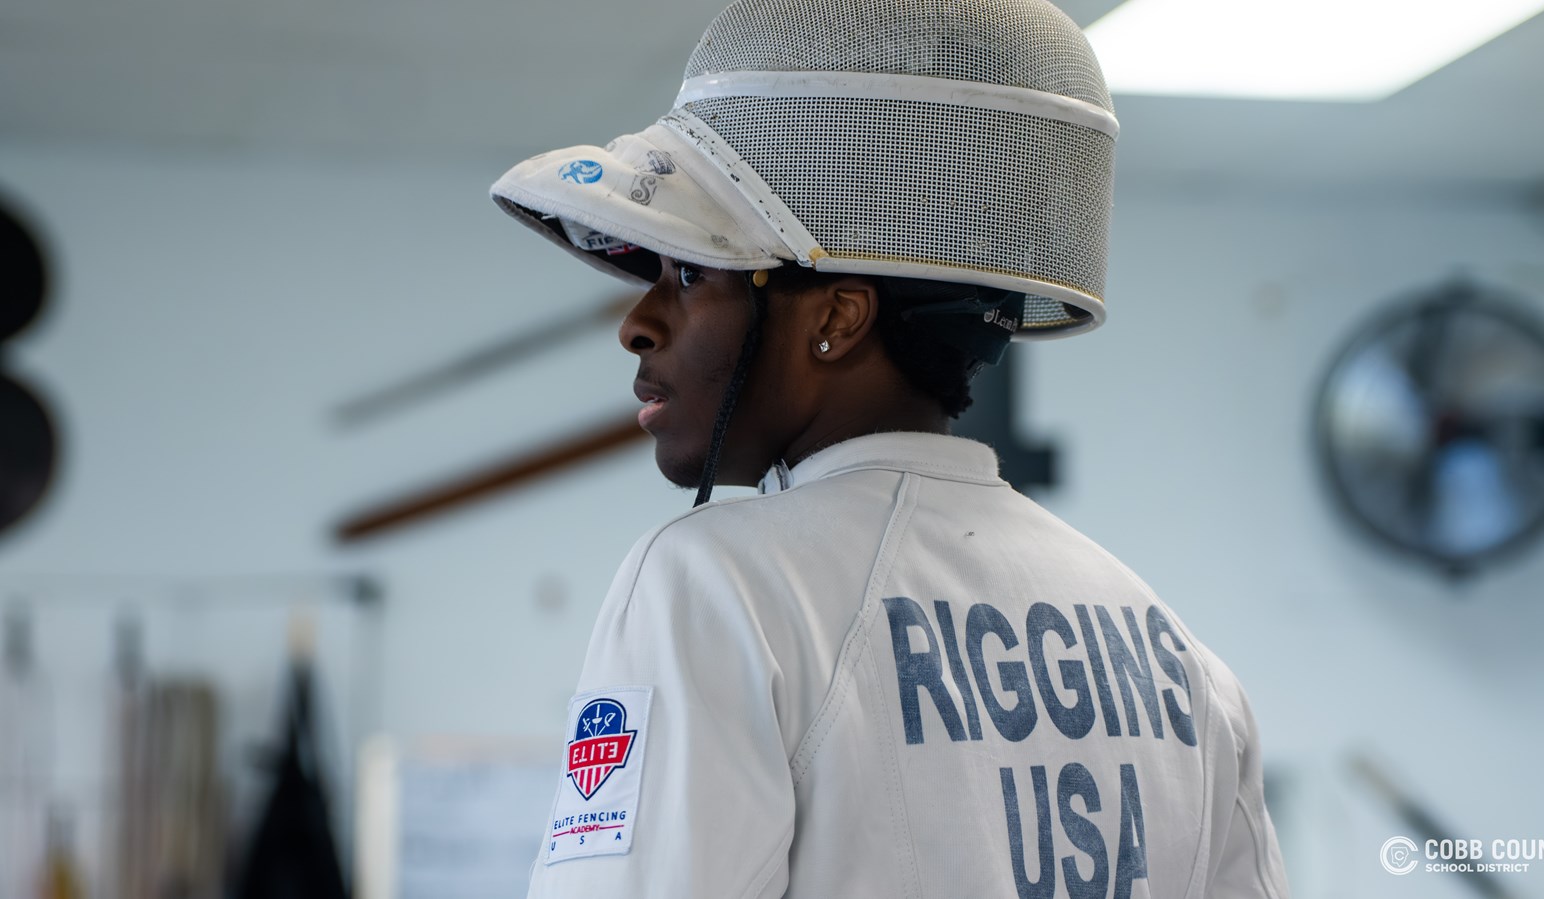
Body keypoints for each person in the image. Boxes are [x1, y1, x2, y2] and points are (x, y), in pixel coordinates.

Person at [490, 0, 1290, 896]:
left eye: (689, 274)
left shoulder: (718, 588)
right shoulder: (1175, 653)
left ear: (837, 319)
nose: (639, 325)